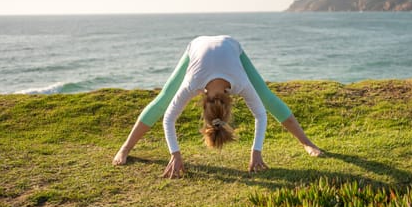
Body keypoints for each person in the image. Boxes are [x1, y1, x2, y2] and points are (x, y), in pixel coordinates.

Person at [112, 35, 321, 178]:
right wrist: (256, 152)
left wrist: (175, 154)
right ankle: (126, 147)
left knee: (265, 96)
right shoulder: (193, 82)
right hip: (196, 47)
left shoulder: (240, 82)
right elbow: (259, 116)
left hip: (231, 46)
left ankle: (306, 143)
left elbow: (261, 114)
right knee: (165, 97)